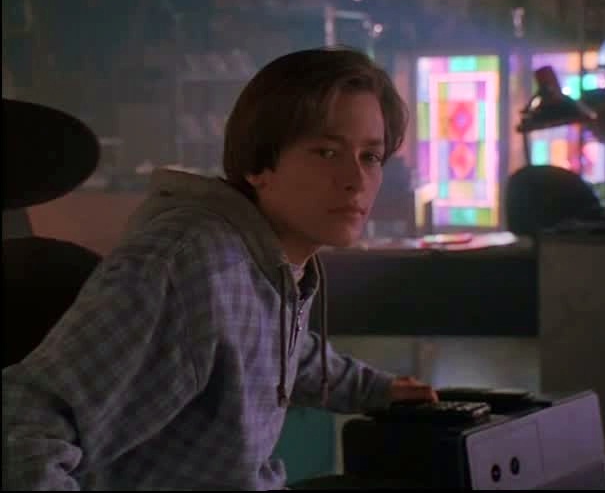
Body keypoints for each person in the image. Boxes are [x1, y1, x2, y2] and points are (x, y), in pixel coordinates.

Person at [2, 47, 437, 490]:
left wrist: (376, 389)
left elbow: (275, 349)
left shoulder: (269, 261)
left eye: (370, 157)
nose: (356, 180)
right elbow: (21, 427)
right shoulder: (193, 265)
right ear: (258, 166)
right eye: (327, 152)